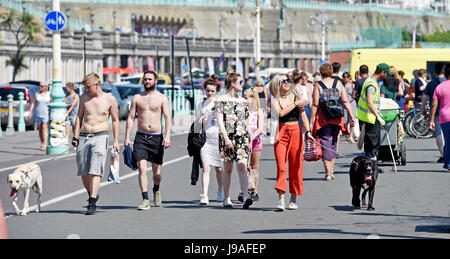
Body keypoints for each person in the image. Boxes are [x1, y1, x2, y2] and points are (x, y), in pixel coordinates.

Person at [72, 73, 120, 215]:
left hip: (101, 136)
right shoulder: (84, 98)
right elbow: (79, 118)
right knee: (83, 171)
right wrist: (75, 137)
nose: (86, 90)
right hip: (84, 136)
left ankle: (92, 202)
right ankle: (92, 192)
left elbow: (116, 120)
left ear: (96, 85)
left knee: (95, 169)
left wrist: (116, 141)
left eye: (88, 87)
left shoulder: (110, 99)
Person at [124, 70, 171, 210]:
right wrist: (127, 137)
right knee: (142, 168)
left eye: (150, 79)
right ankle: (145, 199)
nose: (147, 82)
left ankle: (156, 189)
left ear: (156, 81)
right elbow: (131, 117)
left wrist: (167, 136)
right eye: (145, 79)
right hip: (141, 137)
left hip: (157, 137)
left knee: (157, 172)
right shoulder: (137, 98)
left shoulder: (162, 98)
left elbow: (168, 118)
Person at [269, 74, 313, 211]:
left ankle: (293, 199)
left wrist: (308, 132)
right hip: (281, 132)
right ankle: (281, 199)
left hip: (295, 131)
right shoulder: (275, 99)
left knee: (296, 165)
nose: (287, 83)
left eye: (288, 81)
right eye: (284, 81)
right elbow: (280, 113)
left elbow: (303, 116)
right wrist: (295, 103)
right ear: (277, 84)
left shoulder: (296, 97)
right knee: (281, 165)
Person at [215, 70, 253, 209]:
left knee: (242, 166)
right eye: (240, 82)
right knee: (228, 168)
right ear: (232, 83)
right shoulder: (220, 100)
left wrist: (249, 139)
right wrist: (226, 138)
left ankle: (246, 197)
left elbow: (246, 121)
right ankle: (226, 197)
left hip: (241, 137)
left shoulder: (243, 101)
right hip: (227, 137)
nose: (243, 84)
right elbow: (220, 121)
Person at [310, 63, 355, 181]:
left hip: (323, 118)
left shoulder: (318, 85)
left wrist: (311, 120)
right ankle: (331, 170)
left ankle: (328, 172)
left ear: (321, 72)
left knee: (326, 143)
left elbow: (315, 104)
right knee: (334, 142)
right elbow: (345, 101)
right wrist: (351, 116)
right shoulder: (338, 83)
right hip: (337, 117)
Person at [197, 75, 223, 205]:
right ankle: (205, 195)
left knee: (218, 168)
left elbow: (225, 122)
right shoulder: (201, 104)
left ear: (216, 91)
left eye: (212, 91)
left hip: (218, 138)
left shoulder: (220, 102)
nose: (210, 93)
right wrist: (200, 121)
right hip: (205, 139)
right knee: (206, 168)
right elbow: (196, 126)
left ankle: (221, 191)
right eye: (208, 90)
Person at [356, 63, 390, 161]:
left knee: (370, 143)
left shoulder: (370, 81)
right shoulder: (371, 84)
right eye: (386, 73)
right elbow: (370, 103)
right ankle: (370, 164)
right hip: (370, 117)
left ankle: (371, 164)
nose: (386, 76)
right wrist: (378, 116)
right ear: (382, 72)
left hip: (369, 117)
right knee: (372, 143)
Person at [242, 86, 265, 201]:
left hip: (256, 141)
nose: (246, 100)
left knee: (254, 166)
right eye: (244, 98)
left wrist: (252, 137)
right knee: (244, 166)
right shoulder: (242, 111)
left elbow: (260, 128)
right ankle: (245, 188)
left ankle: (254, 190)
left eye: (248, 98)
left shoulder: (258, 111)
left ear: (254, 98)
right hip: (244, 141)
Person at [423, 62, 446, 163]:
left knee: (438, 134)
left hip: (437, 112)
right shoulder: (448, 82)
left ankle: (443, 155)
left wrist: (423, 109)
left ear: (435, 72)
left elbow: (424, 97)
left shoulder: (431, 83)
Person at [430, 63, 450, 170]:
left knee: (447, 140)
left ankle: (447, 163)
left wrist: (432, 120)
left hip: (444, 117)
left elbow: (434, 104)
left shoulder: (440, 87)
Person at [28, 82, 51, 151]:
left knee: (44, 127)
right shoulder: (37, 94)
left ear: (46, 87)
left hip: (46, 113)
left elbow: (52, 103)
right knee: (40, 129)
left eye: (42, 86)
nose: (40, 87)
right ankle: (42, 142)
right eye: (40, 86)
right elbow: (33, 103)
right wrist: (30, 112)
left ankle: (44, 143)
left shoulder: (49, 94)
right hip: (38, 113)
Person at [343, 71, 359, 143]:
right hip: (344, 104)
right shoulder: (342, 85)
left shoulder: (353, 85)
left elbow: (355, 95)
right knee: (345, 121)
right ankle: (347, 136)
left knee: (352, 120)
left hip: (352, 103)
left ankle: (351, 136)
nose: (346, 79)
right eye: (344, 77)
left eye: (347, 77)